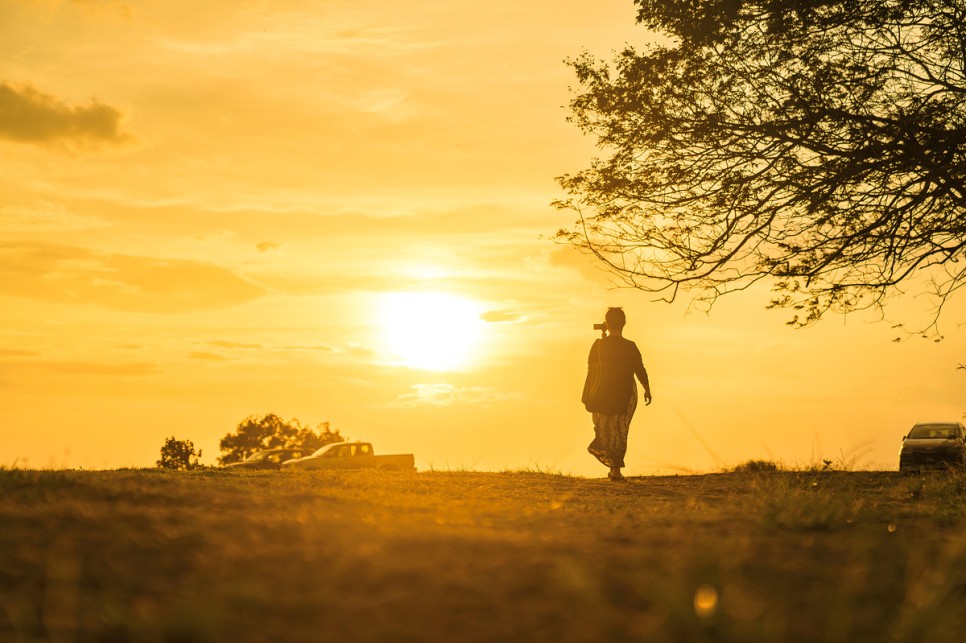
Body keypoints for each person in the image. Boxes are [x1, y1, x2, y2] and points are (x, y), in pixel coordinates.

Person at [582, 307, 652, 481]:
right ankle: (615, 470)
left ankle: (612, 463)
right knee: (620, 430)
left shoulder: (598, 345)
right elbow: (639, 369)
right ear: (624, 323)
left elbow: (591, 369)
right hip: (624, 394)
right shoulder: (630, 346)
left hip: (602, 394)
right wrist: (647, 388)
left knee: (605, 428)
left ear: (606, 323)